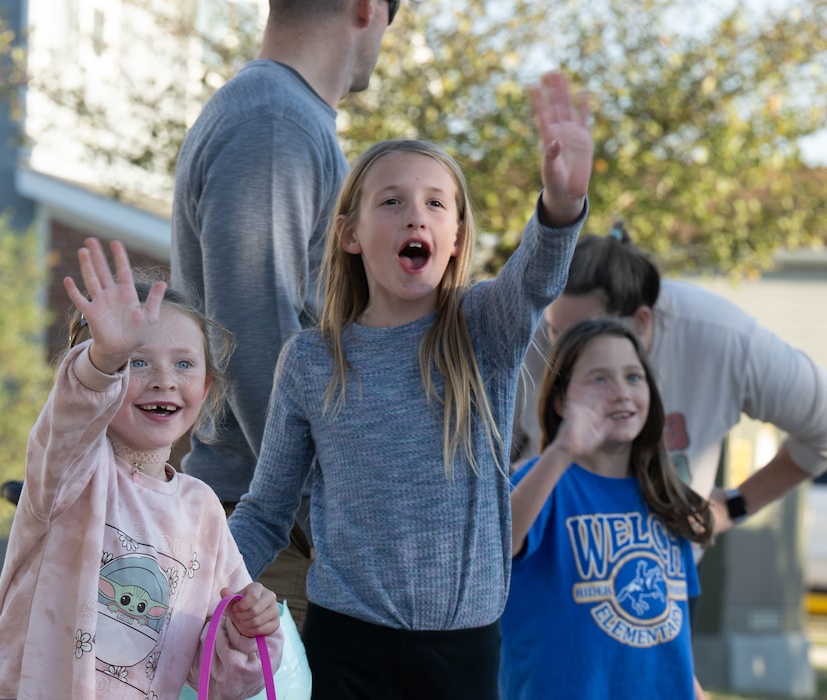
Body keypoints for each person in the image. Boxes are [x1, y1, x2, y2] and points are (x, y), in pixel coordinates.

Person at [228, 71, 593, 698]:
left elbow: (534, 280)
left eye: (434, 202)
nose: (414, 215)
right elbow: (264, 513)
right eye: (390, 201)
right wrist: (184, 569)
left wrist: (560, 208)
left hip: (464, 654)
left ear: (453, 239)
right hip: (345, 647)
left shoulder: (485, 328)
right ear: (350, 235)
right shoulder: (312, 360)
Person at [0, 238, 282, 700]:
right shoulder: (71, 470)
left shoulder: (203, 511)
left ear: (206, 387)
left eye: (184, 364)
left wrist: (250, 628)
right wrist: (101, 362)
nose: (164, 379)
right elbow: (69, 421)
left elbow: (223, 680)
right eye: (137, 361)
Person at [170, 0, 398, 627]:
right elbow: (254, 330)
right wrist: (332, 512)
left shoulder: (286, 117)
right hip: (277, 536)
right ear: (367, 10)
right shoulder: (273, 121)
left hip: (286, 530)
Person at [511, 224, 827, 536]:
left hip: (664, 572)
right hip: (548, 567)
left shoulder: (722, 337)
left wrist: (734, 505)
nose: (562, 351)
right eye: (555, 330)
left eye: (584, 336)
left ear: (641, 322)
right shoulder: (528, 334)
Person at [500, 318, 712, 699]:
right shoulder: (541, 482)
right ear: (561, 401)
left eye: (633, 377)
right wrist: (562, 451)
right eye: (600, 379)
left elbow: (670, 638)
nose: (621, 392)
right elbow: (495, 548)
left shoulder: (665, 496)